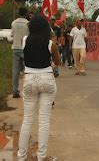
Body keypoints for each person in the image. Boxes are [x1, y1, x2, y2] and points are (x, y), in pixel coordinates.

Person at [17, 15, 60, 160]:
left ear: (31, 27)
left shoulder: (24, 40)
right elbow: (57, 60)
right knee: (44, 120)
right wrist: (50, 68)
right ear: (45, 28)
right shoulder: (50, 44)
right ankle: (41, 157)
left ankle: (21, 156)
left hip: (29, 79)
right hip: (46, 79)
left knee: (27, 120)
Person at [11, 7, 29, 98]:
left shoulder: (14, 23)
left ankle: (15, 91)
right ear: (26, 14)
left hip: (15, 48)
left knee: (15, 71)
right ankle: (27, 91)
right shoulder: (28, 23)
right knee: (28, 71)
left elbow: (12, 35)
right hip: (25, 49)